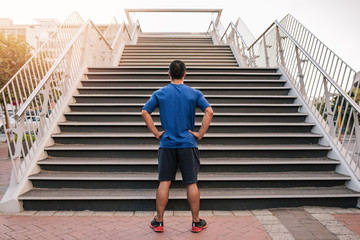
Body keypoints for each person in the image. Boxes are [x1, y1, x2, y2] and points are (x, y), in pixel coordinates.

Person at [141, 60, 213, 233]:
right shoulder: (194, 93)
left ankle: (158, 222)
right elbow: (209, 111)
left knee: (164, 182)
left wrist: (157, 133)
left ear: (169, 73)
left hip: (167, 144)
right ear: (185, 74)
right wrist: (200, 133)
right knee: (191, 183)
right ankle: (196, 222)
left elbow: (144, 112)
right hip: (188, 143)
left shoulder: (160, 93)